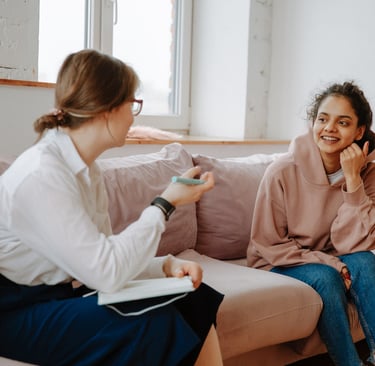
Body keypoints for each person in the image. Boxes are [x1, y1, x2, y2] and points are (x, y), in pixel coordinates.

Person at [0, 49, 224, 366]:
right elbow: (106, 273)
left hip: (59, 295)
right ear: (106, 109)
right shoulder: (42, 175)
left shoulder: (87, 170)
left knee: (193, 297)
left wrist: (164, 266)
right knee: (152, 324)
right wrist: (165, 203)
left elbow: (101, 256)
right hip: (15, 311)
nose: (134, 115)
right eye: (132, 104)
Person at [247, 81, 375, 366]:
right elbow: (268, 244)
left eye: (343, 122)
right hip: (278, 261)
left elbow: (358, 244)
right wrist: (332, 264)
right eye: (323, 119)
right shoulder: (281, 171)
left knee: (366, 261)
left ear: (359, 132)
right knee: (326, 278)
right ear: (312, 123)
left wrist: (353, 181)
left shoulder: (367, 175)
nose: (329, 128)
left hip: (331, 257)